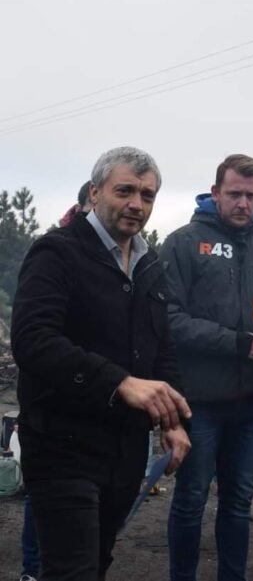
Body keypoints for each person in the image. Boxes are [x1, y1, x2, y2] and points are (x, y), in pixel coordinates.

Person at [11, 147, 191, 581]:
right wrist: (120, 383)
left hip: (124, 450)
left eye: (147, 195)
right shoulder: (56, 253)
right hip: (61, 444)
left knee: (96, 564)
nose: (137, 203)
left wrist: (172, 420)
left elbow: (160, 348)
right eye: (125, 190)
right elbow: (33, 341)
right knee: (71, 570)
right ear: (95, 193)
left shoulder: (150, 265)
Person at [161, 153, 253, 581]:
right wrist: (236, 344)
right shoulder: (183, 243)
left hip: (252, 404)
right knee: (190, 500)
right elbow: (169, 319)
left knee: (239, 501)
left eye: (251, 196)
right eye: (235, 194)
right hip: (199, 403)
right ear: (215, 192)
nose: (244, 203)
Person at [18, 182, 97, 581]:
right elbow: (35, 336)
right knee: (43, 494)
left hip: (94, 405)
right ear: (87, 202)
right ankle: (32, 569)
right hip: (51, 401)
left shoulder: (116, 258)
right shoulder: (54, 251)